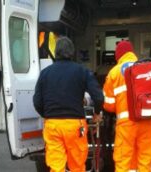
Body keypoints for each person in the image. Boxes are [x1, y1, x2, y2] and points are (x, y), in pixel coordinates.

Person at [33, 36, 104, 172]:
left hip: (52, 125)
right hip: (75, 125)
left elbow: (37, 101)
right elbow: (98, 97)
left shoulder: (45, 73)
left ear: (56, 52)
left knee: (56, 166)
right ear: (72, 52)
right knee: (77, 166)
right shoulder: (81, 71)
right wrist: (96, 114)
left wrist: (48, 115)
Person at [103, 40, 151, 172]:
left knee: (123, 161)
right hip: (148, 122)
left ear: (118, 56)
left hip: (127, 125)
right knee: (145, 160)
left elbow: (109, 105)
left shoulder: (114, 73)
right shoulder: (148, 68)